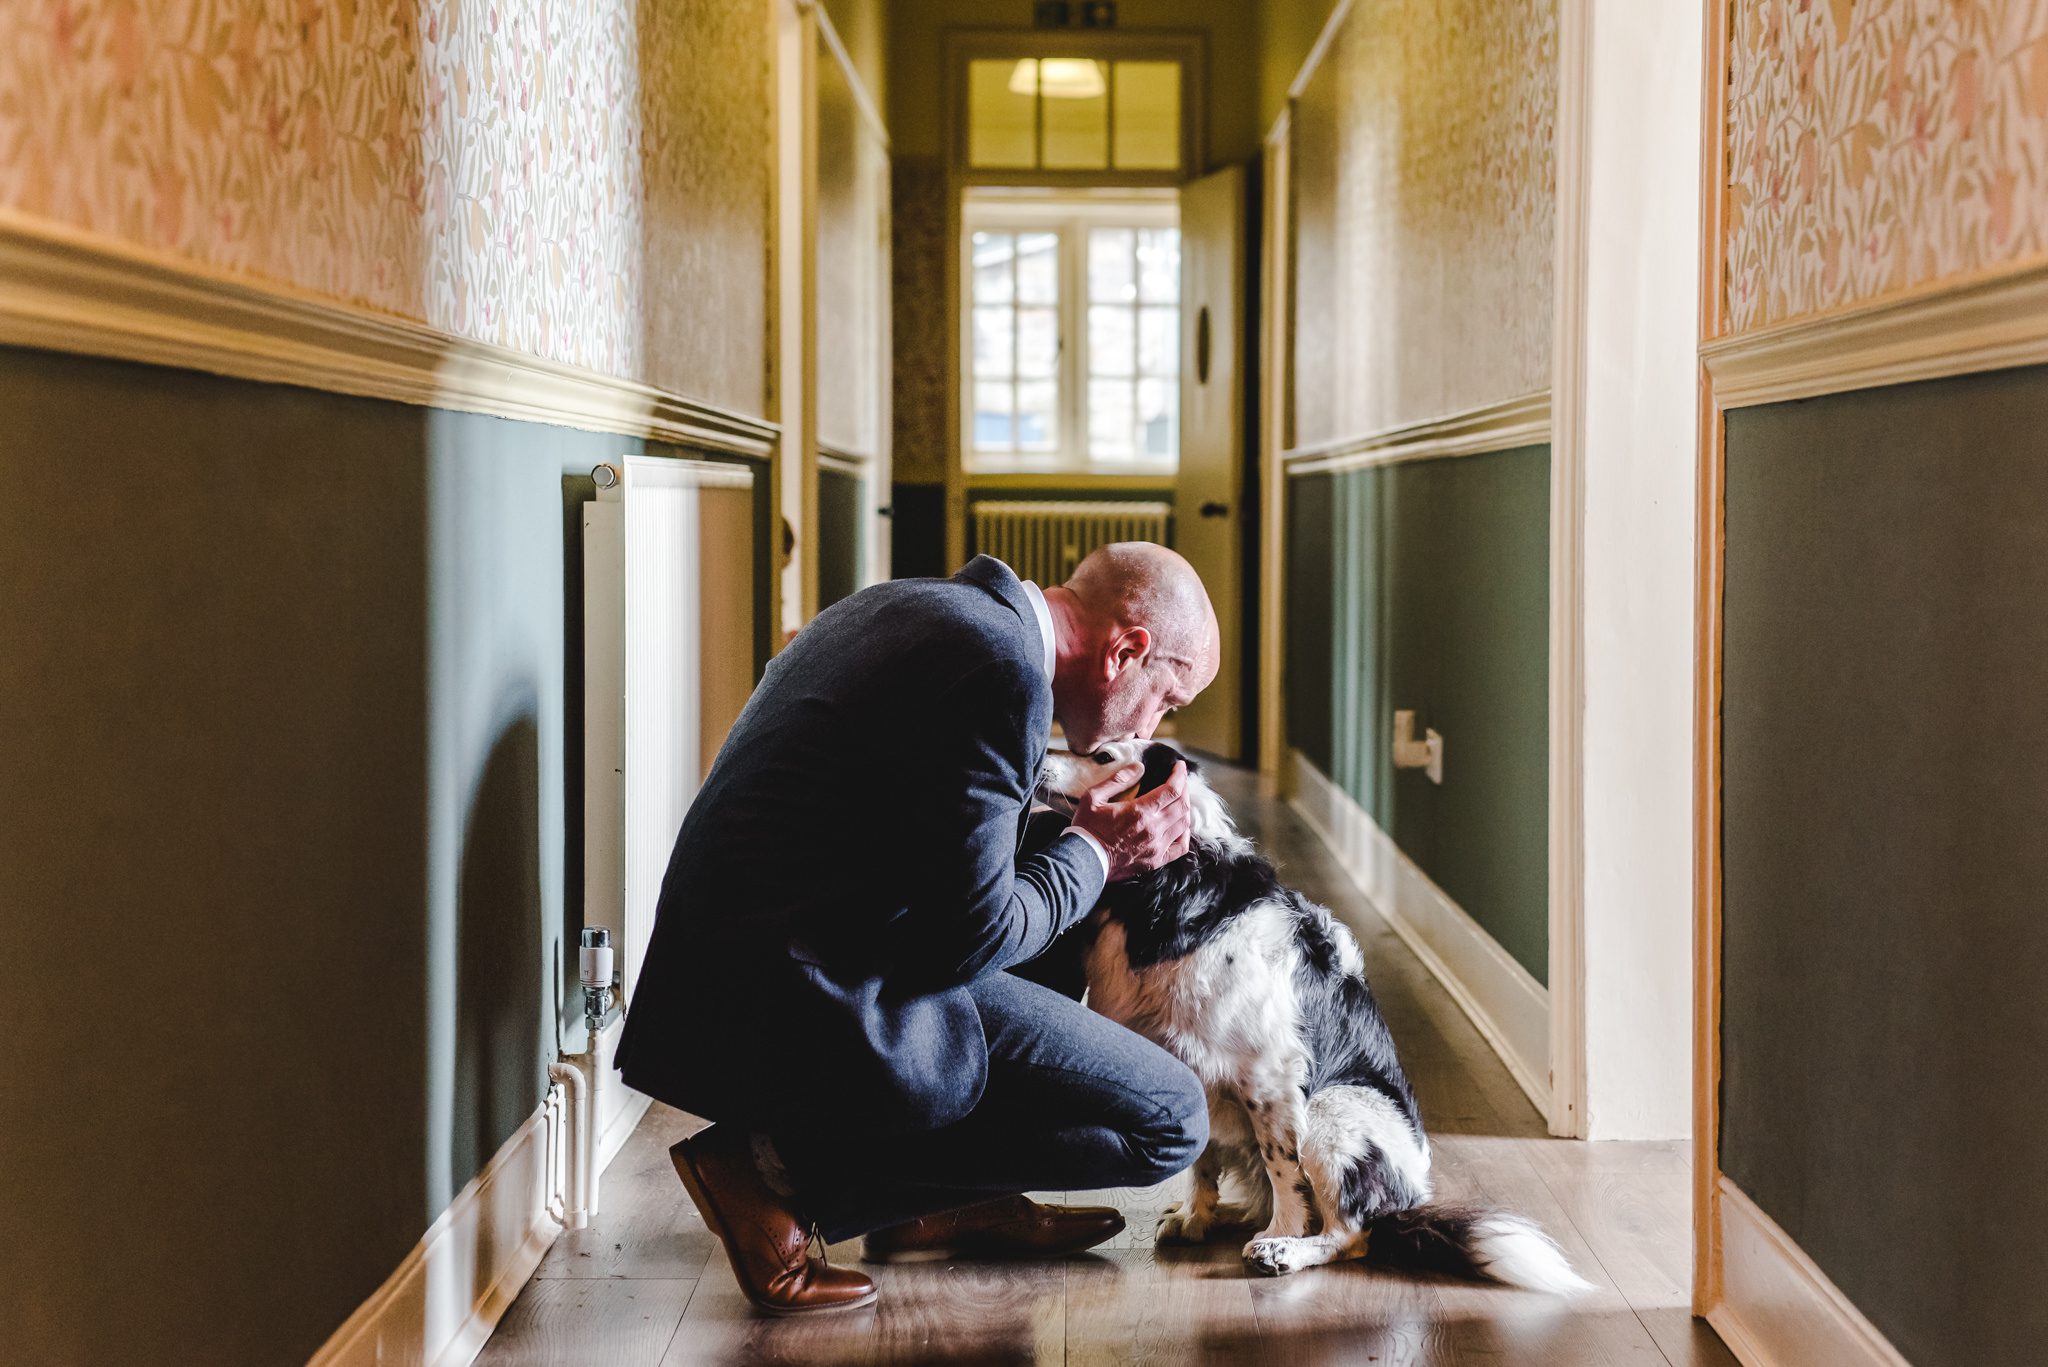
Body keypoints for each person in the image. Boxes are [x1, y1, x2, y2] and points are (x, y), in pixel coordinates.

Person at [617, 543, 1222, 1313]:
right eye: (1166, 697)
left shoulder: (931, 609)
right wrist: (1100, 852)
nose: (1154, 723)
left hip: (754, 953)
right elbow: (966, 939)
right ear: (1127, 652)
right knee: (1172, 1121)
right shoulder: (998, 671)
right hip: (801, 985)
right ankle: (770, 1171)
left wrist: (1079, 838)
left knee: (1058, 865)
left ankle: (938, 1206)